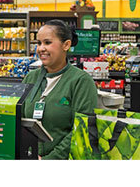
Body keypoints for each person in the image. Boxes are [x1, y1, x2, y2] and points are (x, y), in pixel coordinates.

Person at [22, 19, 97, 159]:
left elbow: (81, 129)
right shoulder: (30, 78)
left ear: (66, 45)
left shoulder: (81, 81)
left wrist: (49, 160)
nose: (41, 48)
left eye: (47, 42)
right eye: (38, 43)